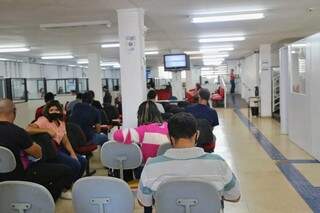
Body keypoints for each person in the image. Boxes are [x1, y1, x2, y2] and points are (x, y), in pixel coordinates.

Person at [137, 112, 240, 212]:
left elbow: (144, 202)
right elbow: (235, 196)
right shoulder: (218, 163)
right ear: (197, 135)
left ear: (169, 137)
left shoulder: (151, 166)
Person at [0, 99, 73, 201]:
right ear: (14, 112)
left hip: (2, 177)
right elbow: (38, 154)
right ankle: (46, 200)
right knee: (66, 171)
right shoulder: (18, 132)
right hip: (20, 175)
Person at [26, 100, 86, 183]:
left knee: (82, 161)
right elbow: (28, 129)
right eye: (51, 110)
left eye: (56, 110)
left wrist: (72, 153)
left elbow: (65, 140)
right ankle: (66, 185)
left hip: (60, 149)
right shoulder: (43, 120)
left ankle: (73, 182)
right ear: (47, 111)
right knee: (75, 164)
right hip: (51, 151)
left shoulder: (61, 123)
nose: (54, 112)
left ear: (60, 111)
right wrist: (46, 130)